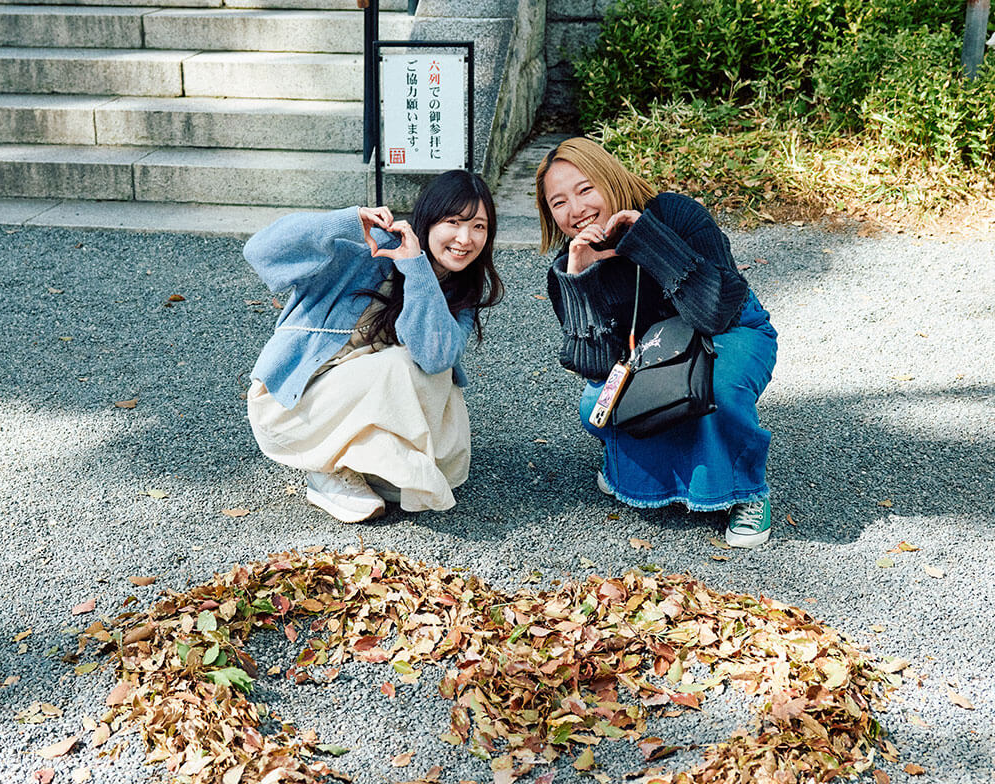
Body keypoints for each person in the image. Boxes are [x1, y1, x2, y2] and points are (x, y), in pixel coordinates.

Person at [535, 137, 779, 548]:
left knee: (715, 389)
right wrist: (581, 280)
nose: (576, 211)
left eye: (585, 189)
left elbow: (715, 312)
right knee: (595, 406)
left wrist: (648, 241)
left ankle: (746, 492)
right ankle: (626, 466)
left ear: (609, 179)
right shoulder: (570, 261)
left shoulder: (675, 213)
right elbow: (596, 367)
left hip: (729, 329)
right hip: (652, 348)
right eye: (558, 203)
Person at [243, 170, 502, 523]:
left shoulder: (460, 289)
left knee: (431, 378)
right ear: (427, 220)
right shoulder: (370, 244)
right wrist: (345, 222)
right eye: (453, 222)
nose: (465, 238)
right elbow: (259, 251)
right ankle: (325, 468)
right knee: (399, 366)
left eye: (479, 227)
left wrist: (417, 269)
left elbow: (436, 358)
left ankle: (352, 460)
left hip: (353, 396)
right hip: (292, 404)